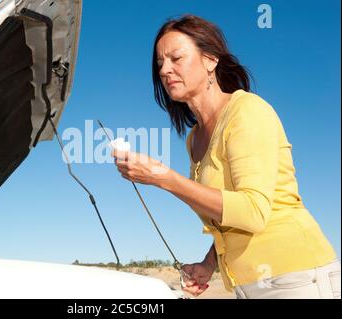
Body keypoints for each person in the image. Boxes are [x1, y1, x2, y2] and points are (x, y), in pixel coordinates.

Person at [111, 15, 340, 299]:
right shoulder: (195, 138)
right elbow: (228, 218)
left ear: (210, 60)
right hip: (248, 286)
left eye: (176, 58)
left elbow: (253, 212)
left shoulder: (247, 111)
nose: (165, 70)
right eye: (160, 64)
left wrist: (163, 178)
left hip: (298, 277)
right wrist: (209, 264)